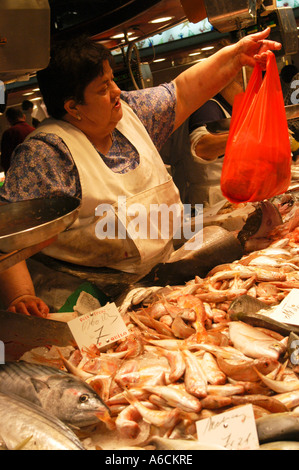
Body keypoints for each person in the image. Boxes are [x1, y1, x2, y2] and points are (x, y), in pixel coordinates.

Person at [0, 28, 281, 317]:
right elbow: (9, 237)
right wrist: (21, 295)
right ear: (73, 107)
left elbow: (183, 92)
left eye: (112, 80)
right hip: (81, 301)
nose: (116, 92)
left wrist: (235, 56)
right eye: (102, 88)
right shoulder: (45, 155)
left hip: (153, 283)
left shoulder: (130, 113)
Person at [0, 107, 35, 174]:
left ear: (9, 120)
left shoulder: (9, 133)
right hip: (35, 171)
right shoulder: (33, 130)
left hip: (19, 174)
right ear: (24, 117)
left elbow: (6, 159)